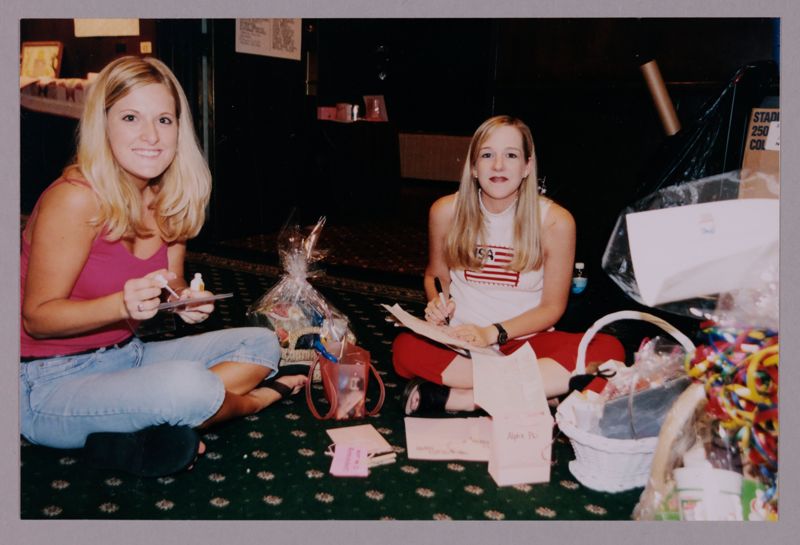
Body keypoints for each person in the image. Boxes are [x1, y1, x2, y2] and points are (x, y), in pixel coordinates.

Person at [19, 56, 306, 477]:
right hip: (46, 384)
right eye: (131, 117)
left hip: (127, 356)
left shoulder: (169, 199)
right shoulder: (75, 198)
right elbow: (37, 319)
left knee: (262, 344)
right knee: (189, 387)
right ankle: (255, 400)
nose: (151, 136)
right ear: (103, 125)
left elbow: (169, 278)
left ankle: (131, 426)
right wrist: (121, 305)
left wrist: (185, 299)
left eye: (164, 120)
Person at [392, 115, 624, 415]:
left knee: (607, 350)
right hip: (462, 344)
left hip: (527, 343)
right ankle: (544, 392)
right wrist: (438, 301)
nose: (498, 166)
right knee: (405, 348)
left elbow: (553, 308)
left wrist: (493, 333)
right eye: (487, 155)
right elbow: (436, 276)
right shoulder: (446, 211)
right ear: (474, 167)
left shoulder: (555, 221)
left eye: (511, 155)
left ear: (527, 166)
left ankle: (464, 399)